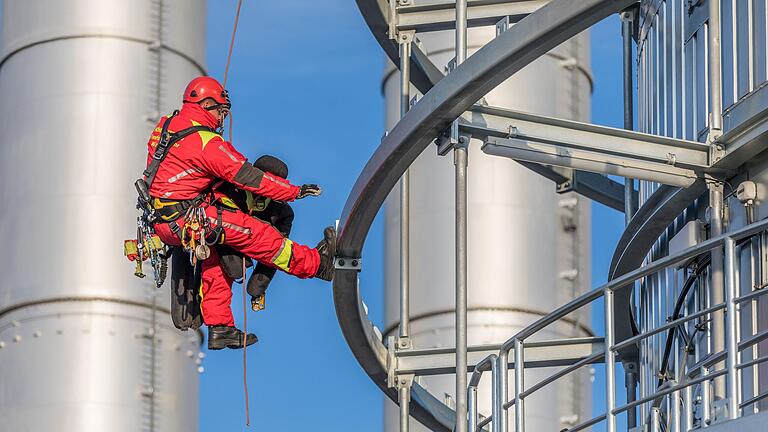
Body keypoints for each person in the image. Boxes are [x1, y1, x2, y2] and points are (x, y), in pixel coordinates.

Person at [144, 76, 335, 350]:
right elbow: (247, 176)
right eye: (221, 111)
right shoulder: (206, 143)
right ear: (207, 104)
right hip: (189, 219)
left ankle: (221, 329)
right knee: (261, 237)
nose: (222, 118)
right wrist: (293, 192)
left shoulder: (167, 126)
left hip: (164, 222)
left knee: (215, 261)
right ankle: (318, 265)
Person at [216, 155, 296, 311]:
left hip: (247, 247)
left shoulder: (282, 212)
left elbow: (277, 252)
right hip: (216, 243)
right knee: (233, 269)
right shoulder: (228, 189)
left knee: (236, 271)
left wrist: (259, 286)